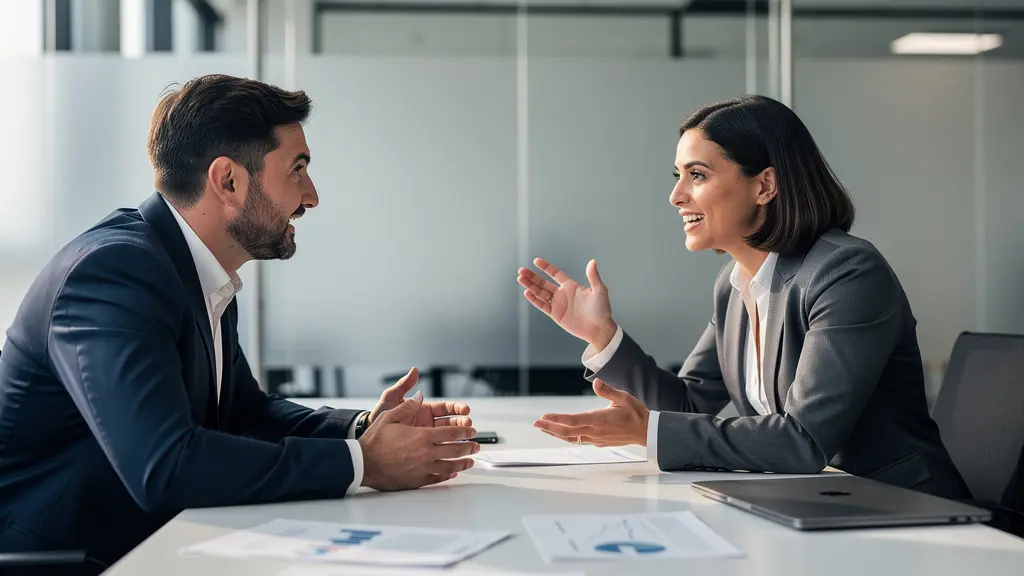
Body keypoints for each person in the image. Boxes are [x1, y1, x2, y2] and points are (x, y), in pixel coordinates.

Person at [0, 74, 479, 569]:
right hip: (73, 559)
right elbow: (164, 466)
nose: (311, 196)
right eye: (297, 170)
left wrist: (363, 429)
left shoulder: (192, 268)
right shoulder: (114, 274)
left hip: (156, 544)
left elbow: (245, 414)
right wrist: (366, 463)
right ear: (228, 180)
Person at [517, 95, 970, 500]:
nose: (676, 195)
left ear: (764, 185)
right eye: (678, 176)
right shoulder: (734, 283)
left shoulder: (846, 272)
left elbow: (802, 441)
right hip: (813, 500)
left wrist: (649, 431)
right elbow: (690, 404)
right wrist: (602, 335)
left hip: (902, 507)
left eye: (697, 175)